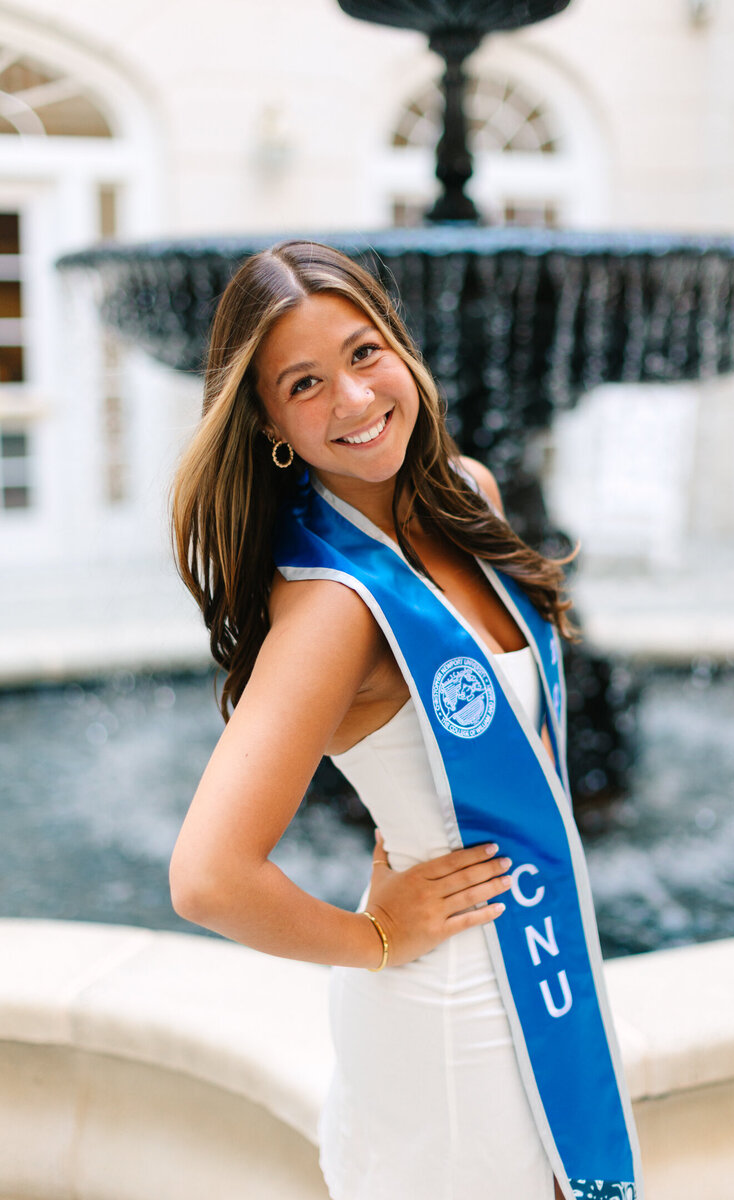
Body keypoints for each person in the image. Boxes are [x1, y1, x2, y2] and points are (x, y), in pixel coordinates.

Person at [168, 240, 643, 1200]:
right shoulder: (332, 610)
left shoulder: (468, 493)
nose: (353, 398)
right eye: (304, 384)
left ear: (401, 349)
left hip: (550, 966)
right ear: (268, 423)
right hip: (451, 1018)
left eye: (363, 353)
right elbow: (208, 877)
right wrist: (374, 938)